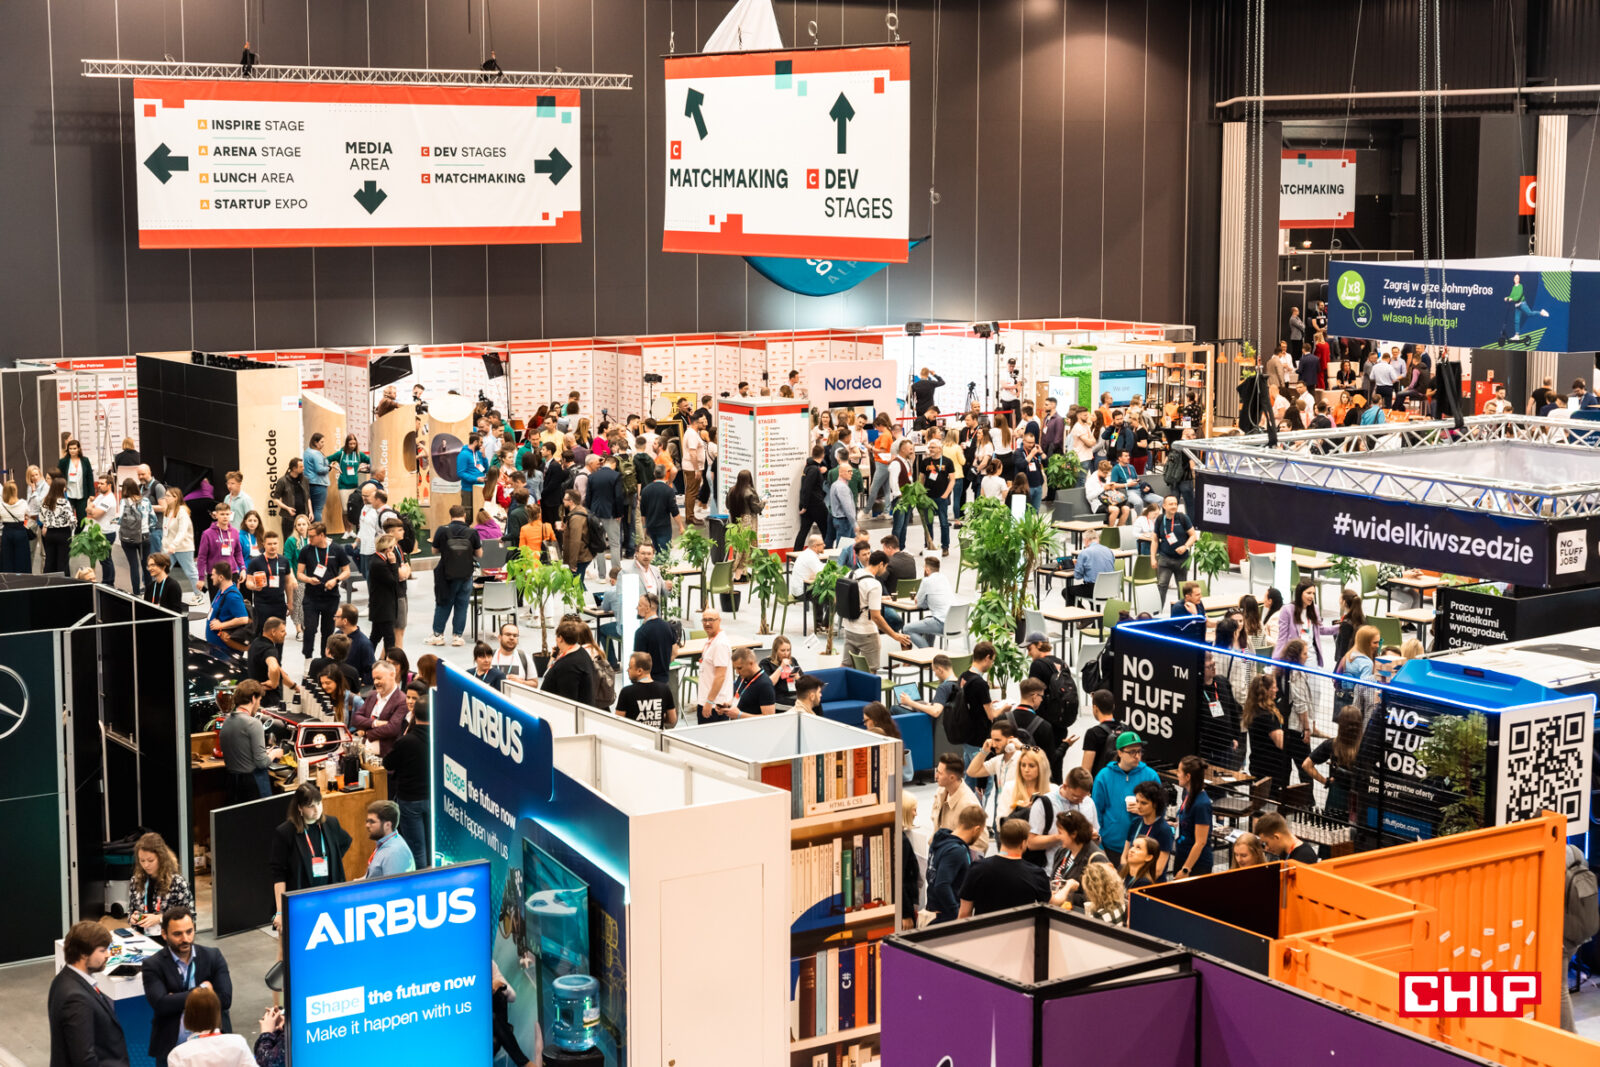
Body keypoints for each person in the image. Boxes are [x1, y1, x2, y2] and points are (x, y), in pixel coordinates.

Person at [143, 905, 235, 1065]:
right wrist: (203, 991)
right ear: (164, 934)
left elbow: (225, 999)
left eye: (189, 931)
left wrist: (175, 999)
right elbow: (161, 1004)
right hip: (173, 1049)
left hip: (213, 1048)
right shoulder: (153, 965)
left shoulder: (213, 956)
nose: (185, 939)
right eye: (177, 934)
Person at [270, 782, 353, 934]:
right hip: (301, 899)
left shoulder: (331, 823)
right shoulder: (285, 833)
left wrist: (332, 861)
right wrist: (280, 911)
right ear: (300, 808)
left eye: (319, 804)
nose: (317, 810)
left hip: (329, 896)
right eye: (311, 806)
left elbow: (345, 842)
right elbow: (279, 875)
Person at [49, 920, 129, 1066]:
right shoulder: (76, 999)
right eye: (102, 950)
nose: (107, 955)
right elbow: (84, 1059)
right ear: (83, 954)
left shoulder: (64, 979)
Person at [1090, 731, 1161, 862]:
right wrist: (1099, 845)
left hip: (1142, 849)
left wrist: (1144, 810)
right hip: (1111, 847)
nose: (1137, 756)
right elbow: (1096, 813)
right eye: (1132, 752)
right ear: (1120, 753)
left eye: (1139, 751)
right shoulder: (1104, 776)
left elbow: (1160, 811)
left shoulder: (1151, 776)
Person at [958, 818, 1051, 917]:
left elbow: (964, 912)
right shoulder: (1036, 874)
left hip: (985, 927)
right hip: (1021, 927)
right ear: (1023, 843)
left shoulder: (977, 869)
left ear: (1001, 839)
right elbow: (1050, 905)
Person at [382, 687, 431, 868]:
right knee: (432, 843)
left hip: (409, 800)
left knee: (416, 847)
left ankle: (420, 878)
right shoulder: (441, 739)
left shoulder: (406, 741)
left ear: (414, 714)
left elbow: (388, 763)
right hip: (432, 798)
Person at [841, 550, 912, 672]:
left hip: (849, 628)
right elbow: (876, 617)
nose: (885, 570)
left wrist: (879, 598)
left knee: (845, 666)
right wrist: (895, 635)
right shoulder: (874, 584)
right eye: (885, 567)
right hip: (867, 633)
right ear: (881, 564)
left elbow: (856, 597)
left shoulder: (851, 574)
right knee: (871, 671)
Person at [1026, 766, 1099, 873]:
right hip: (1051, 871)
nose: (1080, 801)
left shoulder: (1088, 802)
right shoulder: (1044, 804)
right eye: (1075, 796)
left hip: (1081, 872)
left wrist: (1095, 837)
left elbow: (1096, 840)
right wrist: (1061, 836)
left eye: (1083, 797)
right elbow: (1031, 843)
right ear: (1065, 786)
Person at [428, 506, 481, 646]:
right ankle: (457, 636)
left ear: (450, 515)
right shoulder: (472, 532)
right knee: (462, 605)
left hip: (446, 574)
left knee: (443, 602)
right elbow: (479, 554)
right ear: (465, 515)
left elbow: (434, 550)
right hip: (466, 574)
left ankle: (438, 635)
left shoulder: (442, 530)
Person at [219, 680, 280, 801]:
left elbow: (242, 754)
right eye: (259, 700)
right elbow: (262, 763)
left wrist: (264, 753)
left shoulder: (226, 722)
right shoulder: (253, 723)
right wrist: (274, 753)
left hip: (232, 786)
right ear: (253, 698)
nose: (259, 704)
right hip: (252, 786)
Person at [925, 804, 984, 924]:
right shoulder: (956, 851)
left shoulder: (940, 841)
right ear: (976, 829)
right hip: (944, 918)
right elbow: (942, 885)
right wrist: (957, 914)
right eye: (980, 833)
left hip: (933, 911)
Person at [128, 832, 195, 937]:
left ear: (161, 858)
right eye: (142, 860)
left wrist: (160, 918)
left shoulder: (177, 883)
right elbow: (131, 911)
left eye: (150, 860)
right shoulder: (136, 881)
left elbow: (190, 916)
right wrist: (132, 918)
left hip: (169, 940)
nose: (146, 865)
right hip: (142, 938)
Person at [929, 752, 990, 855]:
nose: (936, 776)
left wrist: (959, 857)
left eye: (940, 773)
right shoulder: (940, 791)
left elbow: (981, 844)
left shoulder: (968, 804)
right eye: (937, 771)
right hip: (940, 853)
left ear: (952, 778)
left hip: (955, 858)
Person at [1243, 672, 1288, 795]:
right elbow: (1281, 743)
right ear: (1266, 691)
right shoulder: (1267, 716)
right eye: (1274, 687)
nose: (1277, 690)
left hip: (1258, 764)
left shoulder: (1254, 710)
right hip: (1271, 768)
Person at [352, 659, 408, 756]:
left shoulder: (402, 700)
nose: (376, 682)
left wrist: (366, 733)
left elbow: (392, 729)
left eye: (379, 678)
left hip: (385, 756)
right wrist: (375, 723)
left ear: (392, 675)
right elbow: (356, 719)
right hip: (364, 753)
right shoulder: (372, 695)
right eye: (374, 679)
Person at [1172, 755, 1214, 878]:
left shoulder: (1202, 804)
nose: (1177, 774)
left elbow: (1200, 842)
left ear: (1188, 776)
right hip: (1182, 855)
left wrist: (1186, 869)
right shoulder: (1189, 794)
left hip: (1196, 864)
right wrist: (1175, 825)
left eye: (1179, 771)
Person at [1152, 494, 1196, 609]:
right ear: (1164, 506)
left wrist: (1185, 546)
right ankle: (1157, 612)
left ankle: (1181, 612)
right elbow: (1155, 540)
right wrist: (1152, 558)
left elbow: (1193, 536)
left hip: (1182, 560)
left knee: (1182, 588)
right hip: (1165, 559)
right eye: (1171, 504)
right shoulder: (1160, 519)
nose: (1174, 506)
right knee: (1162, 586)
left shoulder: (1183, 518)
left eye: (1175, 504)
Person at [1124, 779, 1174, 878]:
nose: (1138, 806)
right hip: (1130, 878)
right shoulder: (1135, 823)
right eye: (1137, 801)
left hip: (1150, 882)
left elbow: (1158, 870)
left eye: (1144, 803)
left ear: (1155, 804)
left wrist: (1138, 880)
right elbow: (1124, 855)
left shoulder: (1164, 830)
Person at [245, 617, 300, 707]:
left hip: (256, 697)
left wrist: (293, 686)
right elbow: (274, 668)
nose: (285, 634)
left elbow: (278, 670)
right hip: (269, 701)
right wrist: (274, 683)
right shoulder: (269, 649)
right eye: (282, 631)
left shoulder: (255, 643)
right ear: (273, 632)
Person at [541, 618, 597, 705]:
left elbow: (568, 701)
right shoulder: (581, 651)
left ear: (560, 638)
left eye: (556, 637)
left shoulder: (567, 665)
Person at [616, 652, 677, 728]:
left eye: (630, 667)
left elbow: (618, 722)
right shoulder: (665, 689)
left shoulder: (626, 692)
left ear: (639, 671)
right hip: (656, 735)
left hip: (633, 735)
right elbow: (672, 720)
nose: (627, 670)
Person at [362, 800, 417, 879]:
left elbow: (393, 885)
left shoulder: (394, 853)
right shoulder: (385, 842)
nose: (367, 825)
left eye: (372, 822)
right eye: (367, 821)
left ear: (387, 825)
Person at [203, 564, 249, 656]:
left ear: (221, 577)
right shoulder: (221, 590)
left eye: (213, 575)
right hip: (217, 648)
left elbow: (243, 619)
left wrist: (221, 625)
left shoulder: (232, 596)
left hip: (226, 652)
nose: (211, 577)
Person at [1080, 689, 1123, 776]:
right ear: (1113, 706)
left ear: (1095, 708)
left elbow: (1085, 772)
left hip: (1101, 782)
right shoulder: (1125, 729)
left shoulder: (1093, 733)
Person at [1069, 529, 1116, 603]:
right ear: (1098, 539)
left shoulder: (1084, 553)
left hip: (1094, 590)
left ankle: (1081, 610)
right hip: (1110, 590)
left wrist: (1078, 566)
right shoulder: (1108, 550)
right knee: (1089, 585)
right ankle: (1092, 610)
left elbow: (1077, 576)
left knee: (1067, 592)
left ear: (1086, 540)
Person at [57, 438, 94, 523]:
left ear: (79, 449)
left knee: (82, 519)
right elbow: (58, 476)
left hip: (82, 495)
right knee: (67, 518)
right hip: (68, 494)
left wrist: (91, 493)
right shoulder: (63, 461)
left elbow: (90, 477)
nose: (72, 451)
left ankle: (79, 532)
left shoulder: (85, 460)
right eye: (70, 448)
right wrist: (62, 486)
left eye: (74, 448)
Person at [303, 433, 332, 524]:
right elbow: (320, 470)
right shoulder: (316, 454)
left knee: (311, 509)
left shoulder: (307, 452)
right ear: (315, 442)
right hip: (319, 484)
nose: (323, 444)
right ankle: (318, 531)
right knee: (318, 510)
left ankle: (311, 530)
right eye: (321, 442)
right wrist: (329, 468)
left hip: (309, 483)